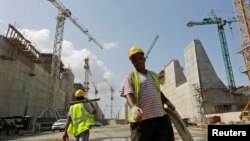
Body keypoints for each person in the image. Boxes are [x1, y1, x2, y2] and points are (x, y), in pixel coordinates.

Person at [120, 46, 176, 141]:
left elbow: (158, 91)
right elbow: (128, 93)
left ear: (144, 59)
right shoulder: (130, 76)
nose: (138, 61)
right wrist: (133, 107)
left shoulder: (153, 74)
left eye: (140, 58)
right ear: (132, 62)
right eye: (135, 60)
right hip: (142, 121)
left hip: (160, 117)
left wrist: (167, 101)